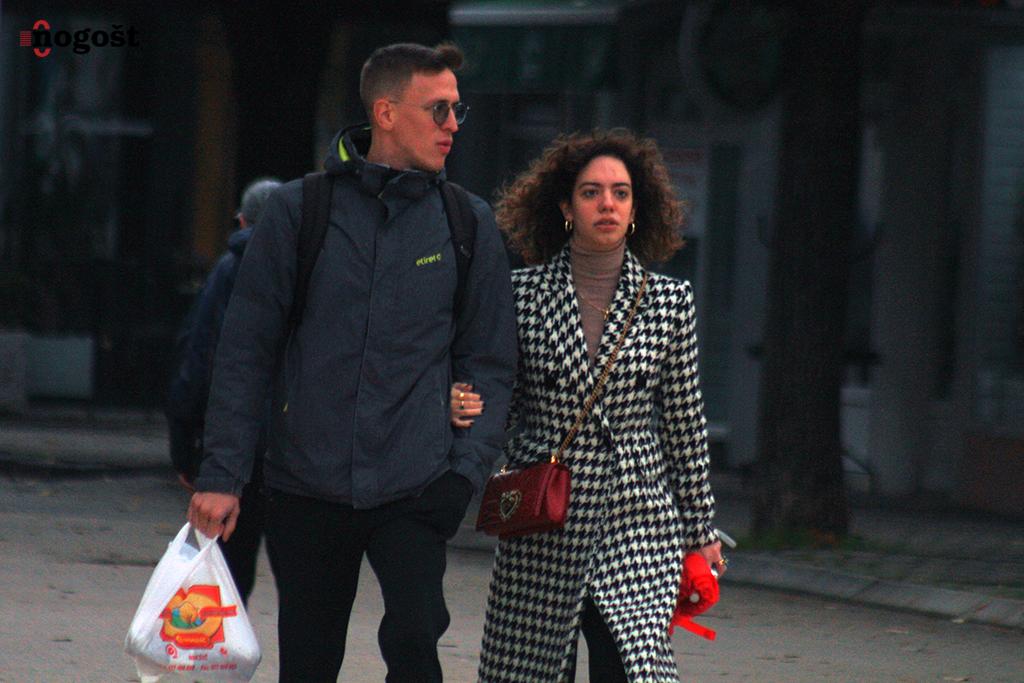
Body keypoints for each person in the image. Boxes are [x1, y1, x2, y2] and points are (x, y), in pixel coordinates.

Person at [187, 42, 517, 682]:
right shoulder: (299, 211)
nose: (454, 124)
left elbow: (491, 360)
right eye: (439, 109)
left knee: (417, 644)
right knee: (309, 663)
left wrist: (464, 472)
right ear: (386, 113)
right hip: (306, 483)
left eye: (458, 109)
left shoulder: (466, 222)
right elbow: (245, 352)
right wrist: (222, 474)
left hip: (418, 483)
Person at [451, 129, 725, 682]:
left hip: (637, 518)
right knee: (529, 670)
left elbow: (685, 425)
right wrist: (463, 405)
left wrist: (701, 530)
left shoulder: (669, 303)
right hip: (542, 513)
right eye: (591, 192)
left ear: (636, 209)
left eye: (621, 193)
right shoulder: (522, 295)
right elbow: (502, 401)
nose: (607, 204)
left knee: (628, 666)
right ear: (565, 207)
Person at [167, 176, 282, 604]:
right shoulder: (314, 270)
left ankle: (224, 644)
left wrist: (185, 447)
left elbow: (197, 361)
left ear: (242, 221)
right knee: (306, 586)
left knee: (228, 574)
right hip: (299, 451)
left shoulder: (230, 270)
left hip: (238, 448)